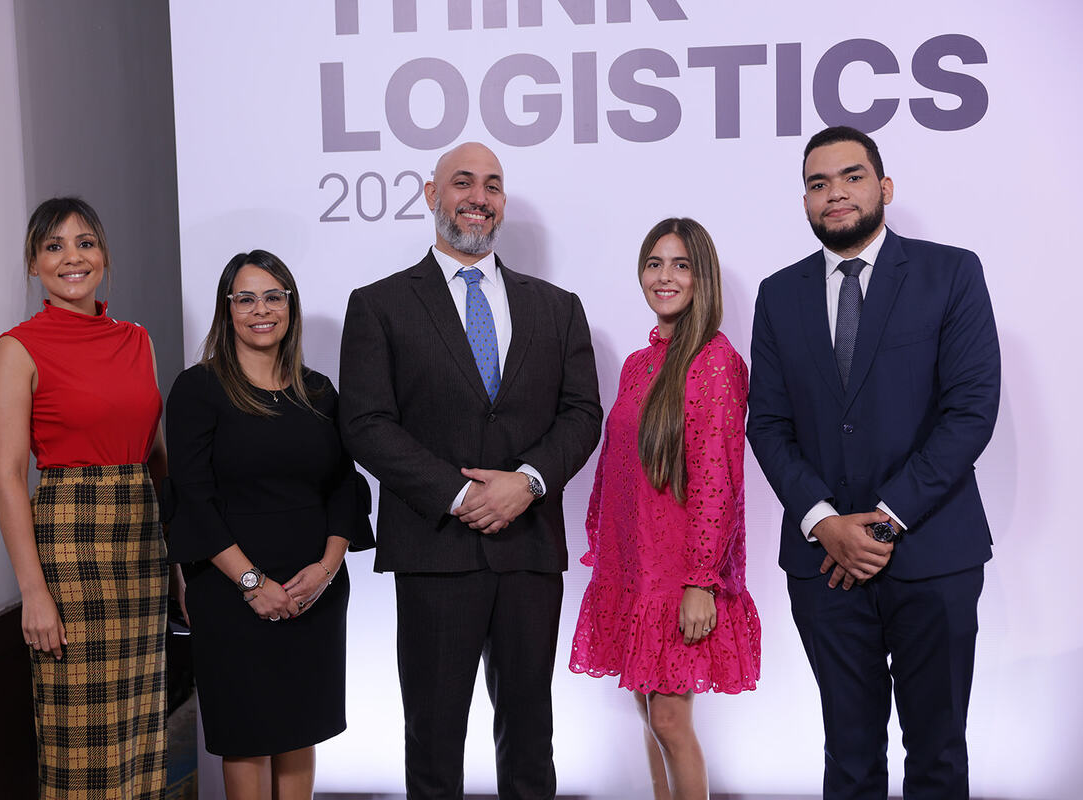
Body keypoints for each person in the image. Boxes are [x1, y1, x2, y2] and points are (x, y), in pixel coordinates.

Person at [338, 141, 602, 800]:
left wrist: (527, 483)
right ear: (432, 195)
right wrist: (459, 494)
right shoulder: (379, 305)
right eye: (463, 182)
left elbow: (581, 414)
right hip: (434, 552)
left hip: (528, 550)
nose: (478, 198)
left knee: (531, 740)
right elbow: (366, 423)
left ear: (502, 202)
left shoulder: (557, 307)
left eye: (492, 185)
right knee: (433, 742)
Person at [747, 126, 1000, 799]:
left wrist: (884, 522)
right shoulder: (778, 295)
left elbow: (971, 411)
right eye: (818, 183)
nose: (835, 193)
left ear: (884, 188)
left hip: (933, 553)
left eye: (852, 176)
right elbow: (767, 424)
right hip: (824, 566)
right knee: (849, 759)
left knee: (938, 755)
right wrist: (823, 521)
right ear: (805, 200)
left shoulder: (951, 273)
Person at [164, 249, 374, 800]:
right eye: (247, 299)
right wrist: (252, 583)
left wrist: (326, 569)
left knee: (301, 730)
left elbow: (343, 487)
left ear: (291, 306)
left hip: (313, 590)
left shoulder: (319, 392)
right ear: (227, 309)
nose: (262, 310)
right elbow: (193, 497)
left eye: (273, 297)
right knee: (247, 737)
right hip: (231, 592)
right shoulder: (198, 389)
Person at [0, 197, 169, 798]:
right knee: (81, 741)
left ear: (104, 255)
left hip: (142, 546)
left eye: (85, 242)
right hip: (71, 548)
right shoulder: (17, 349)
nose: (72, 257)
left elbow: (156, 459)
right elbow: (8, 477)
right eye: (54, 246)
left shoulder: (137, 339)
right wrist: (33, 592)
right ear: (33, 264)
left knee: (140, 730)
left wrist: (178, 562)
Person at [569, 218, 760, 799]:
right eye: (654, 263)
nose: (664, 276)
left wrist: (701, 580)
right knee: (648, 713)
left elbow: (718, 480)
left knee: (671, 720)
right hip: (635, 566)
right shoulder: (638, 363)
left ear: (703, 278)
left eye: (680, 265)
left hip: (680, 573)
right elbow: (617, 466)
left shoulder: (716, 362)